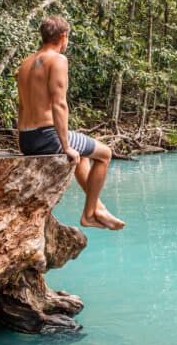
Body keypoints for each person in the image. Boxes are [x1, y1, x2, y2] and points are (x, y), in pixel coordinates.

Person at [16, 15, 125, 230]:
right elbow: (59, 104)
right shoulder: (57, 60)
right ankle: (89, 213)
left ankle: (98, 208)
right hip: (48, 137)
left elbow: (21, 106)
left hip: (28, 138)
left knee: (83, 155)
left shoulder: (25, 64)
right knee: (105, 154)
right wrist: (65, 146)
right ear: (63, 37)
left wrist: (21, 141)